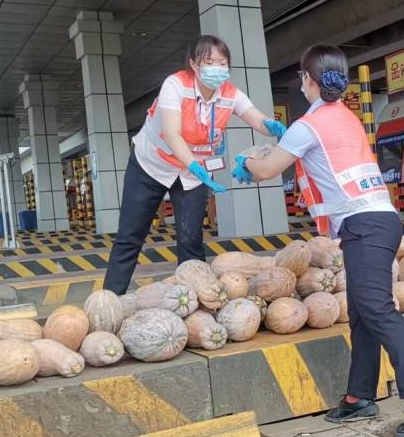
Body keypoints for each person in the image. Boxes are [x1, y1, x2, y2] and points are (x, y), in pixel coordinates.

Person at [233, 44, 404, 437]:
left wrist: (245, 162)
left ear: (306, 80)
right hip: (377, 220)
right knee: (364, 313)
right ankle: (359, 397)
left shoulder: (308, 125)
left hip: (364, 224)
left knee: (376, 310)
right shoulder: (343, 116)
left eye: (301, 76)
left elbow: (265, 168)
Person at [103, 35, 285, 295]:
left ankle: (196, 301)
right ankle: (110, 299)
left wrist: (274, 127)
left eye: (223, 63)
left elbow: (256, 118)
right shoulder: (176, 85)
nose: (217, 69)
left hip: (193, 172)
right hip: (151, 165)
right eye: (209, 62)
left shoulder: (230, 95)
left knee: (190, 239)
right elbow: (172, 133)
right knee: (130, 236)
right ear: (194, 64)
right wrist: (194, 165)